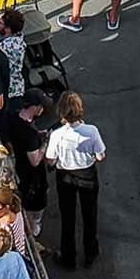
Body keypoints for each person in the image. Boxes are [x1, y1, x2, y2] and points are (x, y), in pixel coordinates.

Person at [43, 92, 106, 267]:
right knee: (90, 214)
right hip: (87, 174)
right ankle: (90, 252)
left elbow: (50, 159)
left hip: (65, 176)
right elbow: (100, 156)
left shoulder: (57, 134)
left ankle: (68, 256)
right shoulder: (91, 131)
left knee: (68, 216)